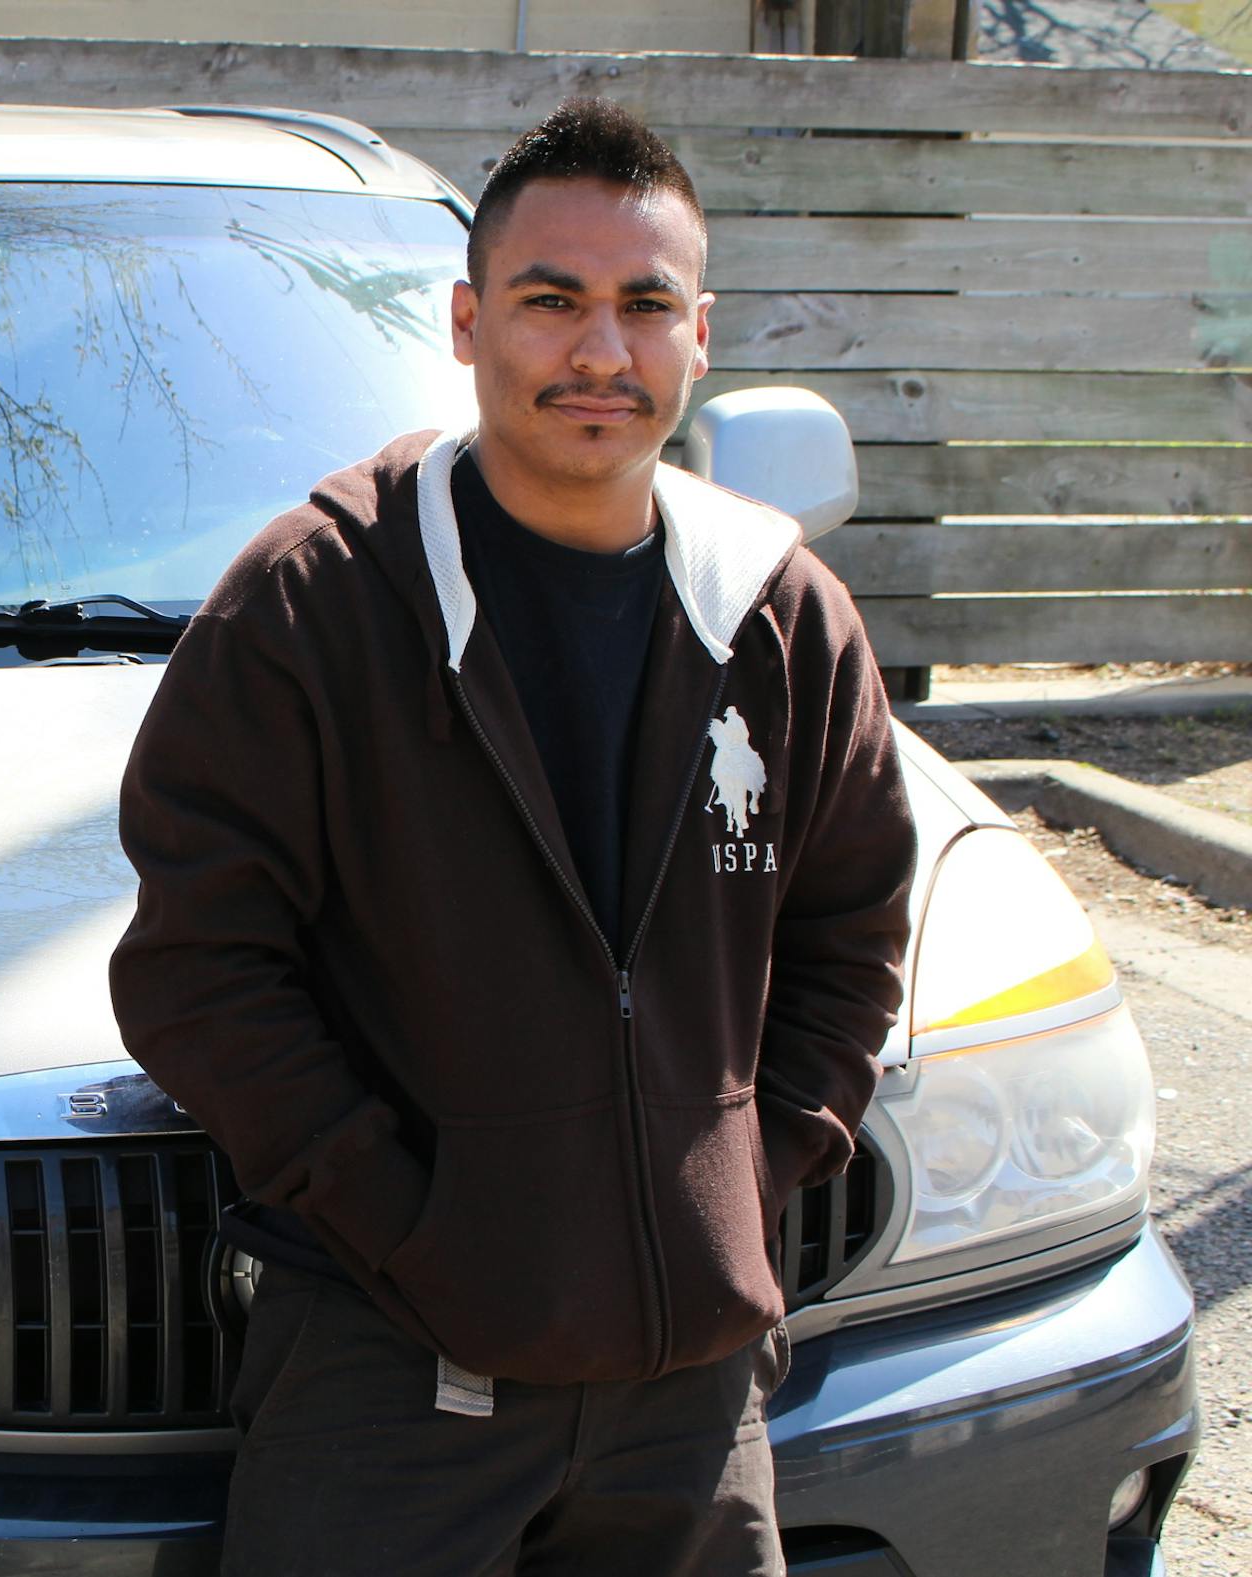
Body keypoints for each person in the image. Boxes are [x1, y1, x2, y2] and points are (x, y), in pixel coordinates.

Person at [107, 98, 916, 1576]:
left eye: (644, 305)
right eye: (552, 301)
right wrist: (410, 1227)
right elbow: (196, 968)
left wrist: (739, 1180)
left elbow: (855, 931)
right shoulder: (314, 604)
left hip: (690, 1400)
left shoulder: (782, 616)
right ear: (469, 322)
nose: (601, 351)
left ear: (701, 336)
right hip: (390, 1382)